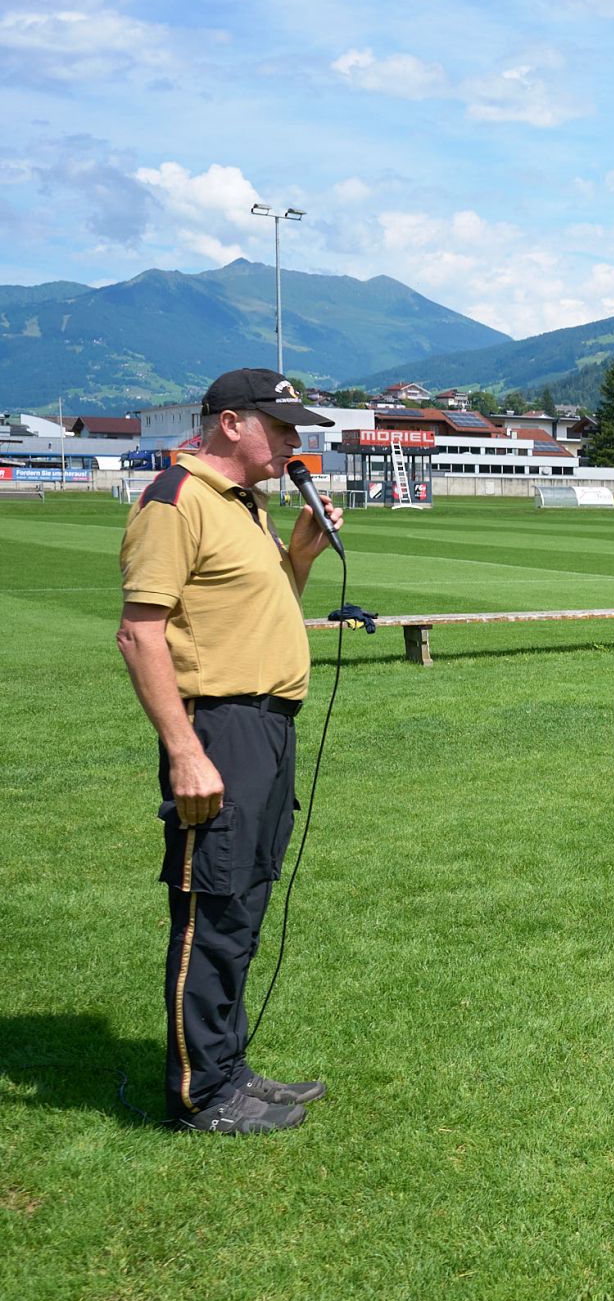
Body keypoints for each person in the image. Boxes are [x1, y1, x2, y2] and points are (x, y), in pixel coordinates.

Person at [114, 368, 343, 1134]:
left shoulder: (245, 504)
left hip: (267, 727)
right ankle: (201, 1096)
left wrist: (300, 557)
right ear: (232, 423)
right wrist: (184, 751)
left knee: (242, 904)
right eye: (281, 426)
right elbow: (139, 633)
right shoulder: (176, 501)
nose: (294, 441)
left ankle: (229, 1069)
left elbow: (257, 613)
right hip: (217, 727)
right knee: (211, 908)